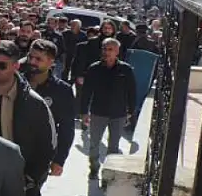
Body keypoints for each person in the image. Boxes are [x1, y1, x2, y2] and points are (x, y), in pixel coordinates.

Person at [0, 40, 56, 196]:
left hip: (16, 187)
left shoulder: (33, 103)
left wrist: (29, 181)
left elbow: (46, 147)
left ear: (15, 66)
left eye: (1, 65)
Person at [80, 37, 137, 180]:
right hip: (98, 112)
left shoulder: (126, 69)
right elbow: (86, 92)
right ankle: (93, 168)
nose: (106, 52)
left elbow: (132, 92)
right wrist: (83, 112)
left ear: (117, 51)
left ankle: (108, 174)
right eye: (104, 49)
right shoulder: (94, 69)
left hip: (118, 114)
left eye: (110, 49)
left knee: (113, 146)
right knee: (94, 143)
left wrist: (131, 111)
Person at [24, 39, 76, 178]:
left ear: (51, 62)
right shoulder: (17, 82)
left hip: (41, 155)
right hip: (12, 149)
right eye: (30, 57)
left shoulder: (62, 90)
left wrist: (59, 160)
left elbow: (67, 128)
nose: (32, 62)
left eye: (38, 59)